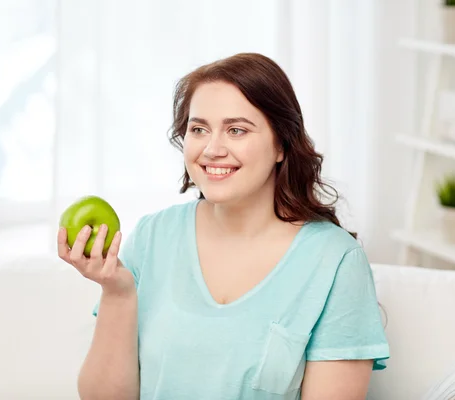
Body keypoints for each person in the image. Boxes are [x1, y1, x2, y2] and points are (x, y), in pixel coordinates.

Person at [57, 52, 390, 400]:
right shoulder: (154, 236)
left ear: (281, 144)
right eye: (198, 129)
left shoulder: (336, 262)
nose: (212, 149)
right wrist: (117, 292)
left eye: (236, 130)